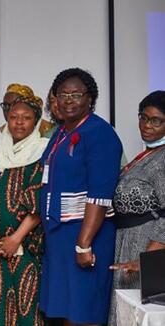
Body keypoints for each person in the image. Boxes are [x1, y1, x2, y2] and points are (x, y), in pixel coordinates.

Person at [39, 68, 122, 325]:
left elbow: (100, 194)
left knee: (84, 309)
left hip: (84, 234)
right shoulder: (61, 132)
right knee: (66, 309)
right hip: (60, 235)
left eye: (76, 94)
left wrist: (83, 244)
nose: (69, 99)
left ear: (91, 98)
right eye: (63, 94)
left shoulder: (100, 133)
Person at [0, 95, 49, 326]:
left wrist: (15, 239)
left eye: (26, 118)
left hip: (24, 251)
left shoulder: (42, 154)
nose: (19, 123)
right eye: (14, 117)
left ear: (36, 121)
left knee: (26, 312)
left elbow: (40, 201)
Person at [108, 90, 165, 324]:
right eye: (143, 117)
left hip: (147, 243)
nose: (147, 125)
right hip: (127, 240)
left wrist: (149, 257)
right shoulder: (147, 155)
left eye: (156, 120)